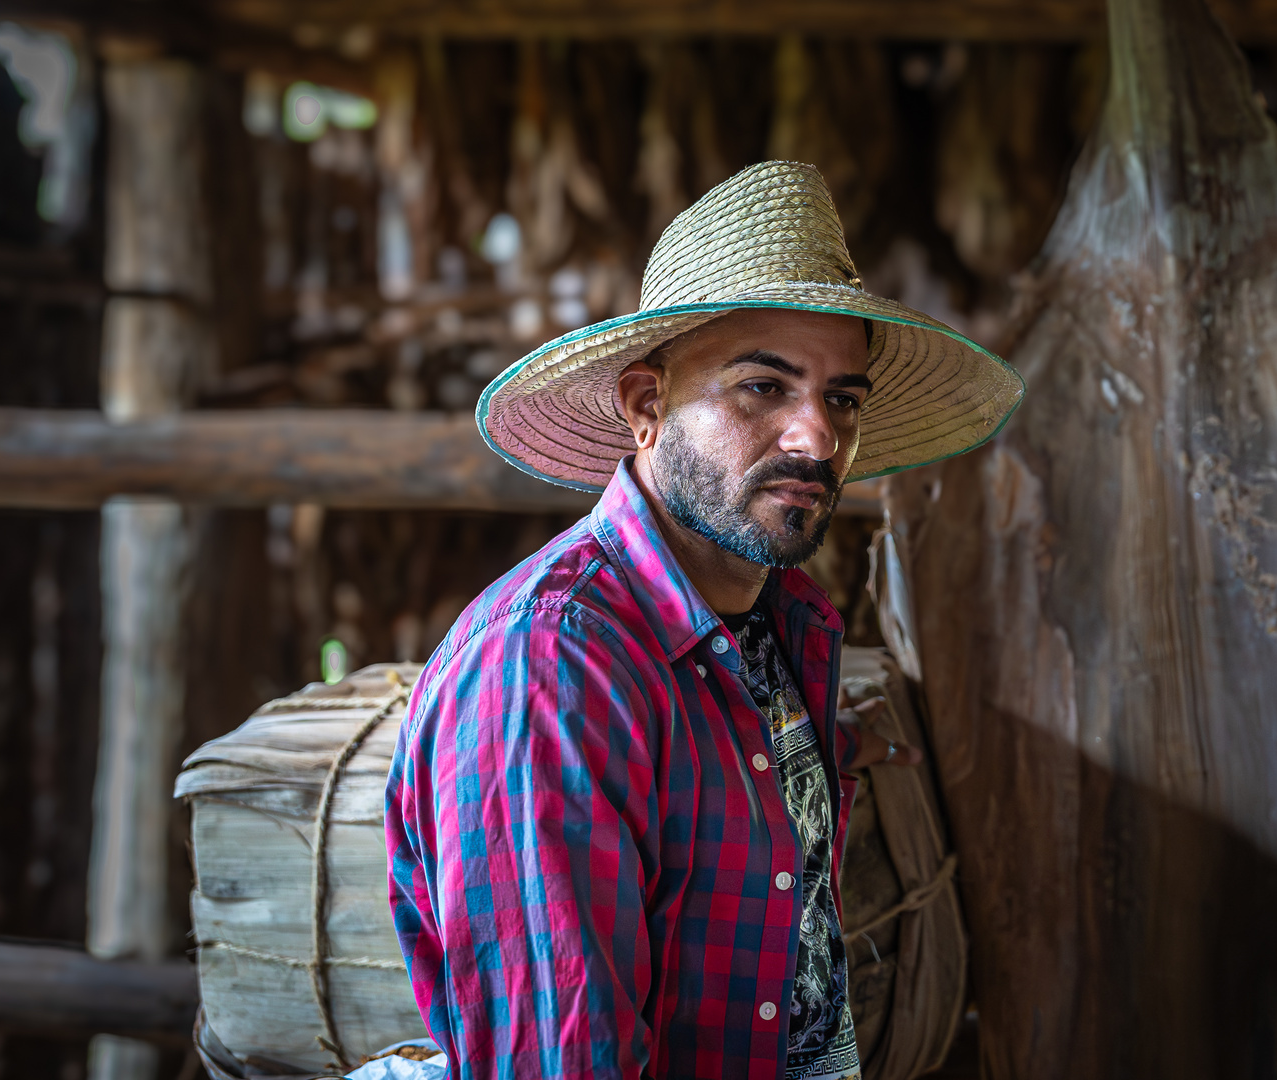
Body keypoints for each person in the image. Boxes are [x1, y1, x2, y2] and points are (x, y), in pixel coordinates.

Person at [385, 161, 1024, 1080]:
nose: (817, 437)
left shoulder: (773, 622)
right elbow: (565, 1058)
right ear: (647, 406)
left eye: (842, 398)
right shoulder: (550, 667)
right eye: (763, 387)